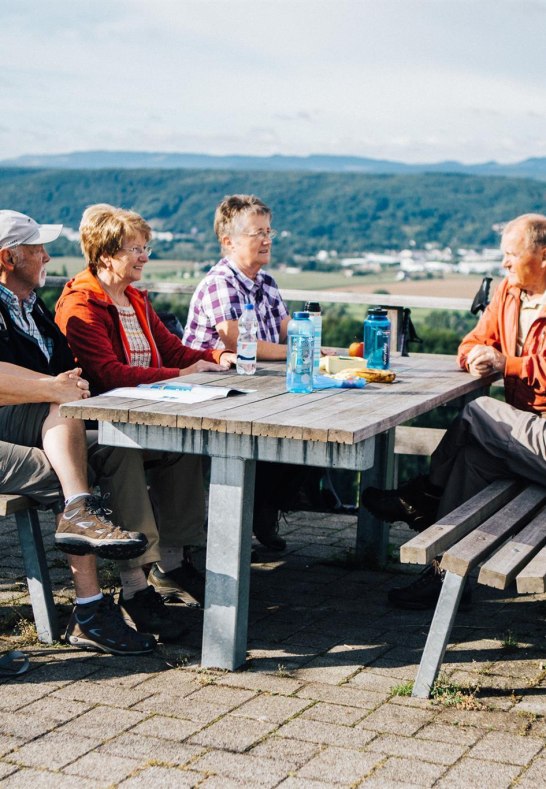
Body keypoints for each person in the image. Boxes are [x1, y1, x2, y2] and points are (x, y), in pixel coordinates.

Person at [55, 203, 236, 621]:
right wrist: (179, 374)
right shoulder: (81, 306)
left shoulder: (133, 298)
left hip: (147, 411)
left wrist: (215, 355)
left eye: (145, 247)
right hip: (101, 424)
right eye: (135, 249)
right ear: (105, 256)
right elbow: (107, 373)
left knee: (185, 447)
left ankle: (172, 565)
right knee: (126, 455)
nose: (144, 257)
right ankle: (136, 585)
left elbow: (173, 348)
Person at [362, 212, 546, 609]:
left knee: (479, 411)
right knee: (473, 460)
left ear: (543, 256)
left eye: (511, 255)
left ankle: (425, 495)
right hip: (526, 433)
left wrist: (506, 365)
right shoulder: (509, 294)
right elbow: (473, 341)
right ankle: (446, 579)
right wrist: (476, 357)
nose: (504, 264)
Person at [0, 210, 155, 655]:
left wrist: (60, 387)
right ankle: (88, 609)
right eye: (36, 249)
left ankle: (136, 586)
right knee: (71, 475)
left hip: (36, 424)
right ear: (9, 257)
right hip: (17, 425)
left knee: (115, 448)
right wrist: (54, 387)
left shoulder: (32, 306)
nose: (47, 256)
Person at [183, 194, 306, 551]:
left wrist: (315, 340)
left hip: (257, 388)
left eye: (269, 231)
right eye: (257, 233)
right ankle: (238, 523)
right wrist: (303, 352)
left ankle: (261, 509)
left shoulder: (265, 281)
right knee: (294, 430)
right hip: (214, 392)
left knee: (311, 431)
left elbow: (286, 329)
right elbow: (239, 342)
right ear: (229, 241)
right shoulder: (221, 282)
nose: (267, 240)